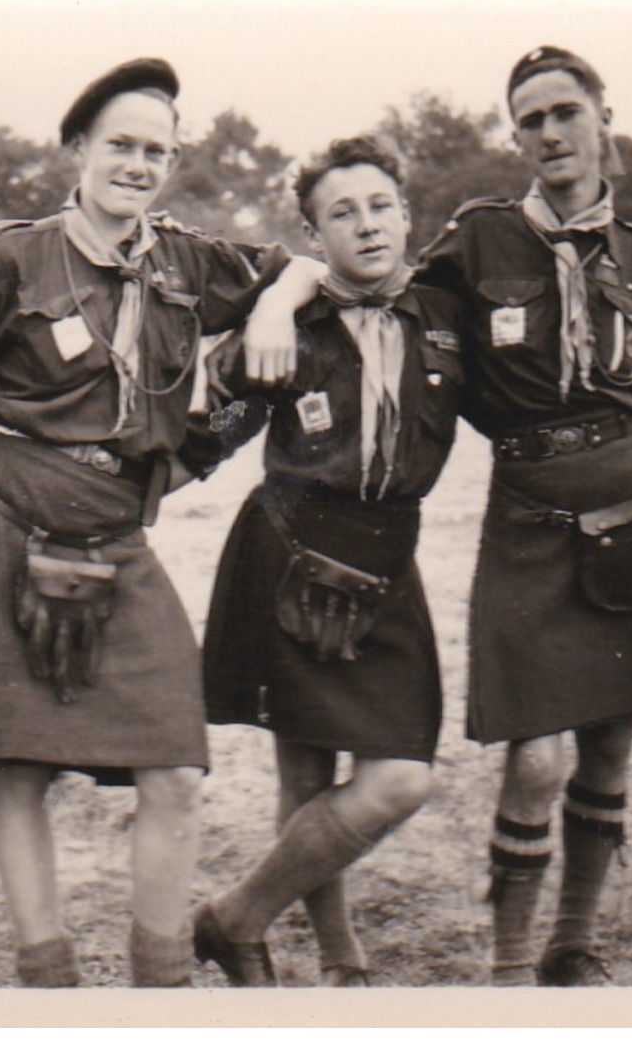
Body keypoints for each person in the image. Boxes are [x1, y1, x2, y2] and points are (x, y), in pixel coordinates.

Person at [0, 57, 317, 988]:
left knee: (174, 769)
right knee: (17, 769)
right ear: (77, 150)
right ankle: (47, 982)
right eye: (120, 145)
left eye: (156, 151)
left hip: (116, 529)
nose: (137, 164)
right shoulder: (11, 256)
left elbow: (300, 265)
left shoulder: (185, 259)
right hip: (3, 522)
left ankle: (161, 983)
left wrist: (275, 307)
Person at [416, 46, 632, 986]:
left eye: (565, 111)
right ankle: (510, 968)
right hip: (530, 513)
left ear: (604, 117)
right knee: (533, 754)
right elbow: (387, 305)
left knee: (609, 737)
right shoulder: (476, 238)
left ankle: (574, 945)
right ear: (515, 135)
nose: (549, 133)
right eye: (530, 119)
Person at [195, 135, 468, 987]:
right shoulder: (290, 321)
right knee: (306, 768)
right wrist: (273, 301)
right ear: (314, 236)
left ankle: (234, 916)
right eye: (339, 213)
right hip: (290, 548)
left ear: (407, 214)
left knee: (398, 777)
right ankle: (343, 964)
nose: (365, 225)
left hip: (388, 558)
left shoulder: (446, 319)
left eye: (380, 205)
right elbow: (201, 413)